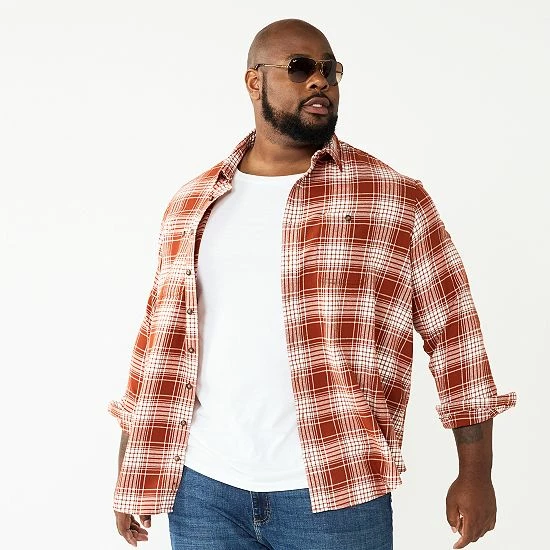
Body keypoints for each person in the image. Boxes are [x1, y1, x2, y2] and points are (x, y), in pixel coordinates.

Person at [109, 18, 516, 550]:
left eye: (330, 70)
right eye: (299, 68)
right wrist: (133, 465)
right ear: (254, 82)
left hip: (337, 489)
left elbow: (455, 335)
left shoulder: (393, 198)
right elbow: (158, 342)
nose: (320, 80)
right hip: (202, 489)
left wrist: (476, 473)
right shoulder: (193, 202)